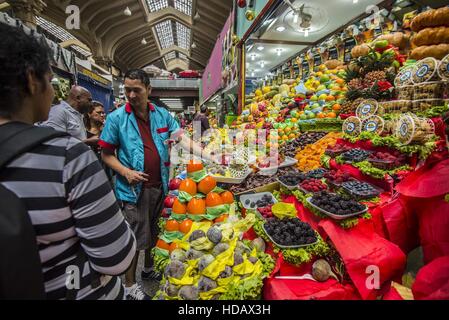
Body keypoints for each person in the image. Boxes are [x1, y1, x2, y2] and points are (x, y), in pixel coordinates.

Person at [0, 23, 136, 299]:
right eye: (50, 81)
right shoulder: (65, 156)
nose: (54, 93)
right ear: (31, 80)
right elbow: (117, 257)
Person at [99, 69, 211, 300]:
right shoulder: (116, 119)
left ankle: (148, 270)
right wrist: (125, 172)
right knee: (135, 238)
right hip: (133, 189)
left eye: (136, 90)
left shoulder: (162, 115)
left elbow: (181, 137)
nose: (130, 95)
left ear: (149, 90)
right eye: (127, 90)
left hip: (159, 185)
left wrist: (209, 154)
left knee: (153, 231)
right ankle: (129, 286)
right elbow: (106, 154)